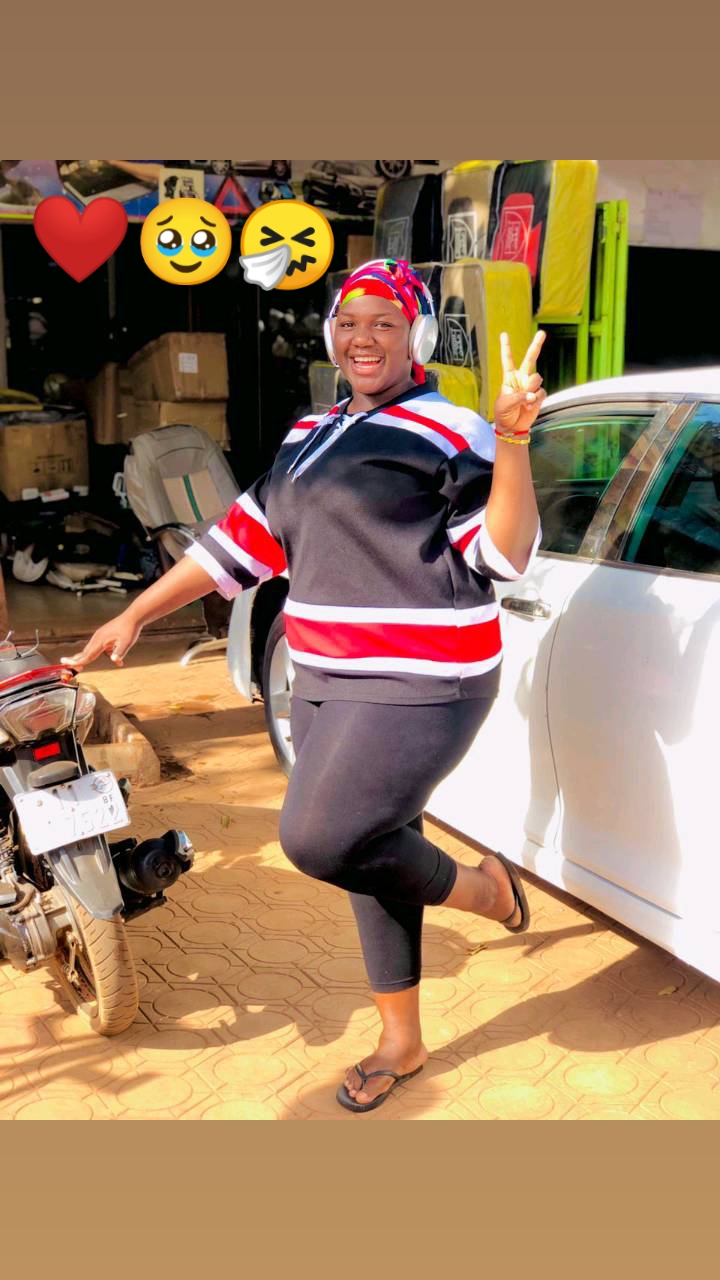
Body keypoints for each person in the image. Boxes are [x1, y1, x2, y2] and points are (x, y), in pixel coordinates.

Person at [63, 258, 546, 1112]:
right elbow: (237, 543)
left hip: (421, 680)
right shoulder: (310, 434)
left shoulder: (453, 428)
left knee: (322, 838)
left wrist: (512, 441)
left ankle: (485, 891)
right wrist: (134, 613)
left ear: (416, 337)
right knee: (372, 850)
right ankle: (401, 1040)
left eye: (385, 323)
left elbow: (503, 556)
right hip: (323, 676)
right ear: (330, 335)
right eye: (349, 322)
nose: (364, 337)